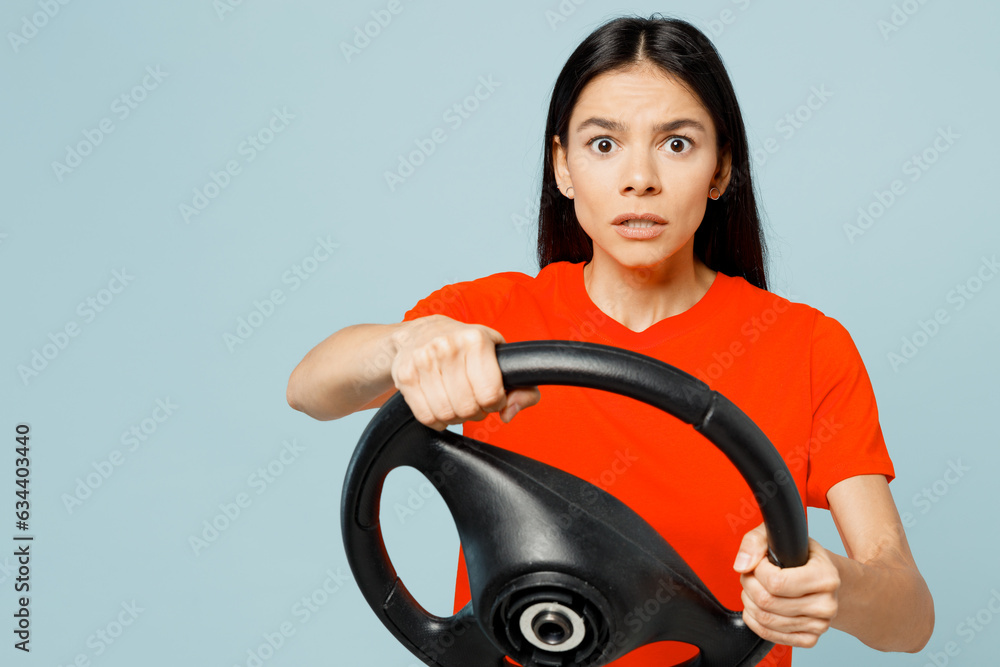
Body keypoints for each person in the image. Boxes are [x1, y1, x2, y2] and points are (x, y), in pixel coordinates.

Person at [287, 13, 933, 666]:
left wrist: (837, 588)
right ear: (562, 167)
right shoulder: (484, 319)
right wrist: (407, 346)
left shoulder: (808, 346)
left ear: (721, 169)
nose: (639, 178)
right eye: (603, 145)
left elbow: (909, 616)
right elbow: (309, 389)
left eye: (677, 144)